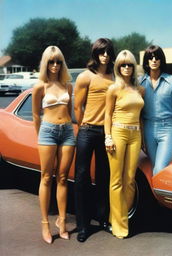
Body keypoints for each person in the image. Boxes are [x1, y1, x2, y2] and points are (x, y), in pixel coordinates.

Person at [32, 46, 75, 244]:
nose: (55, 65)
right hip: (47, 132)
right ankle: (44, 224)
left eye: (58, 61)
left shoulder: (67, 85)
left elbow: (71, 112)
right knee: (47, 177)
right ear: (45, 63)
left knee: (64, 177)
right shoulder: (40, 86)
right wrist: (40, 136)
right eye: (51, 62)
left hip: (67, 131)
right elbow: (35, 115)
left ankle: (62, 221)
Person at [74, 38, 116, 242]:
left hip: (107, 133)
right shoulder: (85, 76)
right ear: (95, 54)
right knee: (81, 177)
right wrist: (84, 126)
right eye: (101, 52)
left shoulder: (115, 77)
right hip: (87, 131)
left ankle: (103, 219)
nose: (105, 56)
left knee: (104, 176)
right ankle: (82, 225)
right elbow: (77, 106)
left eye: (108, 52)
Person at [104, 50, 144, 239]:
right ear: (118, 67)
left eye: (129, 64)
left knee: (130, 180)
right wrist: (108, 137)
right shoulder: (114, 89)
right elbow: (107, 115)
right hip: (118, 132)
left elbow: (142, 117)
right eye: (123, 65)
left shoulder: (139, 90)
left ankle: (117, 217)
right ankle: (120, 225)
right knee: (116, 180)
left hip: (135, 134)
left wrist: (143, 138)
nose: (126, 68)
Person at [140, 45, 172, 176]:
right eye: (150, 58)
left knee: (159, 169)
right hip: (148, 129)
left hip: (167, 130)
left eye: (157, 57)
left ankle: (155, 196)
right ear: (146, 61)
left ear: (162, 60)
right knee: (155, 167)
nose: (154, 60)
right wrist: (141, 137)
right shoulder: (139, 83)